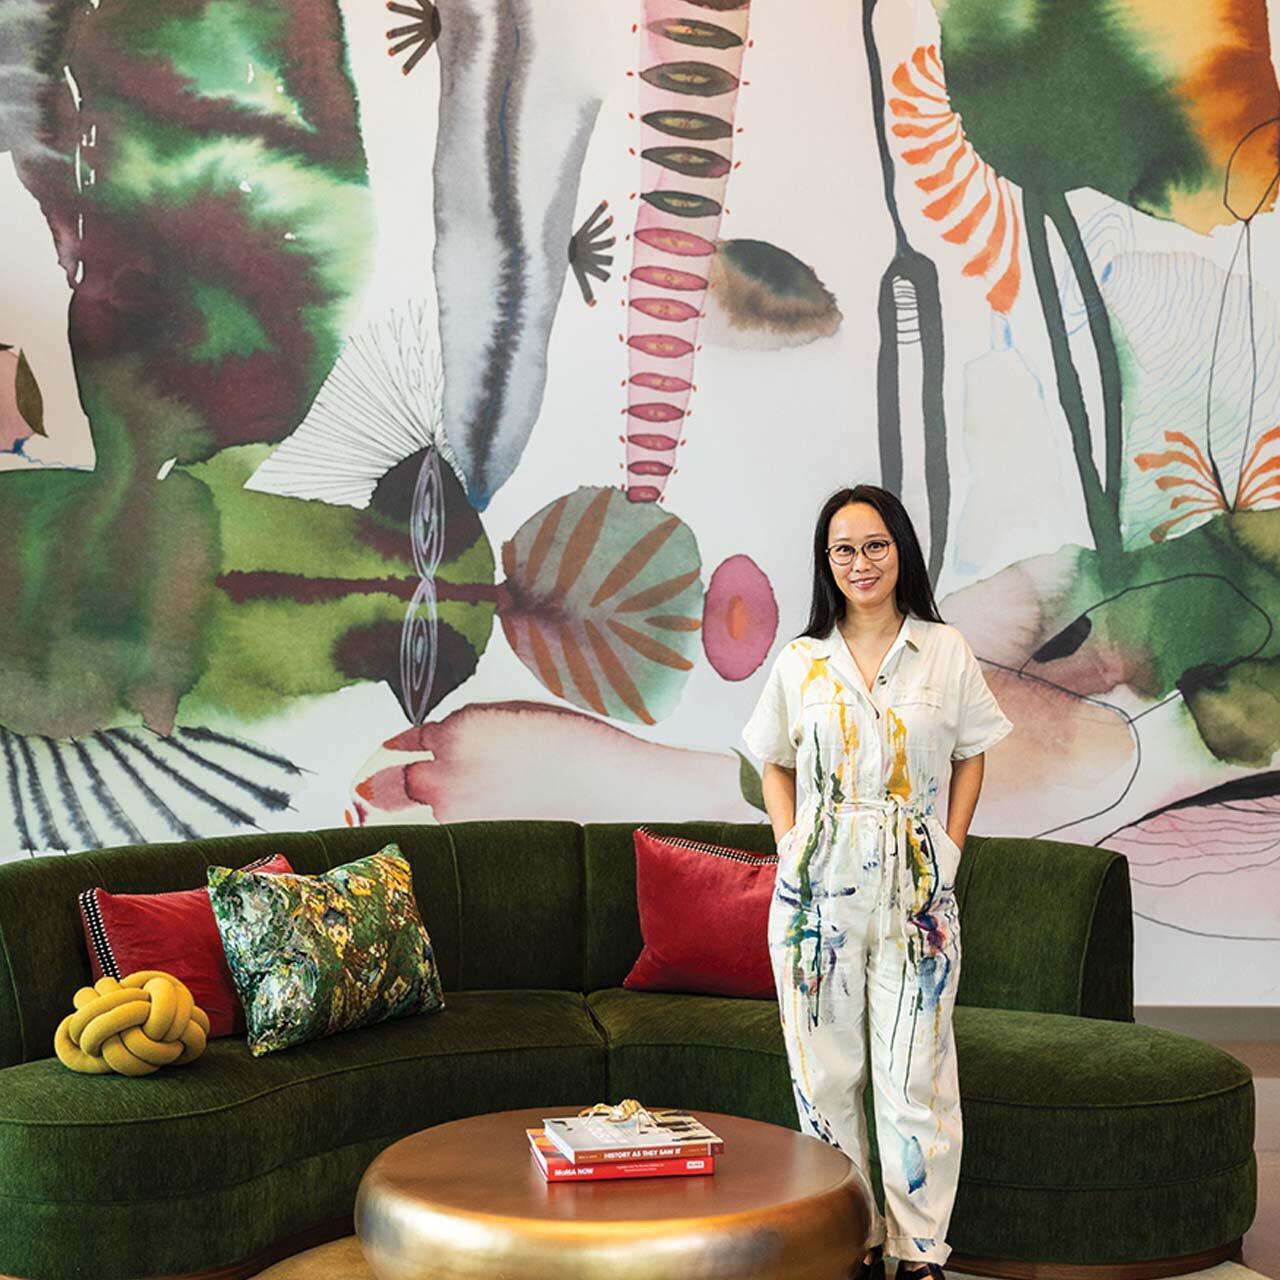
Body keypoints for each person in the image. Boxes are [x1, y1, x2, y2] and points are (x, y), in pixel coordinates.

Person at [742, 485, 1011, 1280]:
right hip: (815, 894)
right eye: (843, 550)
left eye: (874, 545)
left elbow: (973, 753)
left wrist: (949, 852)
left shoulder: (945, 650)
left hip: (916, 889)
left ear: (900, 550)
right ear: (827, 564)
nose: (859, 562)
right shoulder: (801, 659)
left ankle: (919, 1252)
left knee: (915, 1074)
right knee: (824, 1076)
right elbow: (772, 760)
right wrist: (792, 847)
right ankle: (852, 1241)